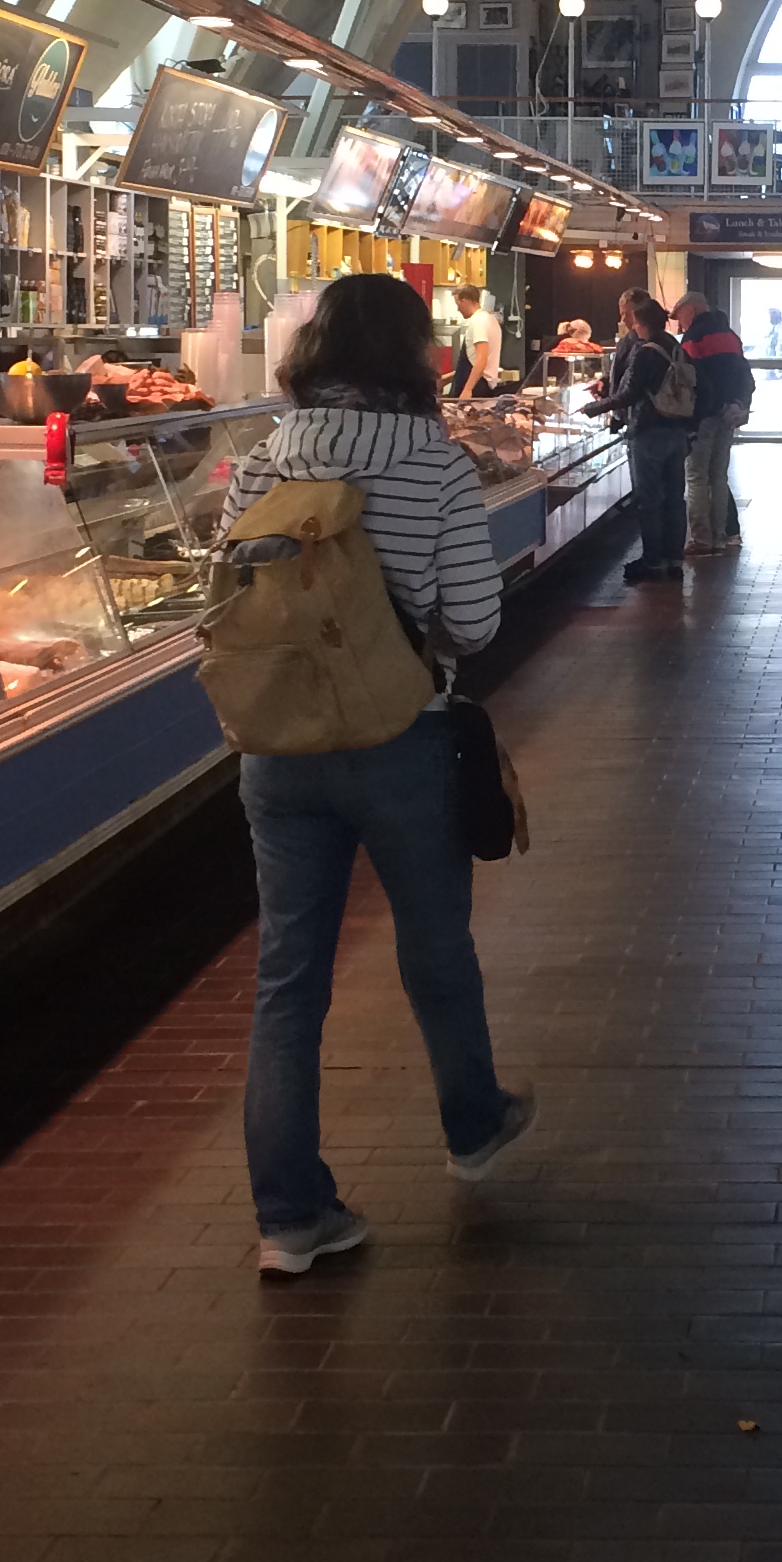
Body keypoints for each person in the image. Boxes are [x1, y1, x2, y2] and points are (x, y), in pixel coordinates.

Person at [216, 273, 532, 1275]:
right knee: (435, 948)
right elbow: (474, 621)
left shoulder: (262, 458)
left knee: (288, 980)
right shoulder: (433, 464)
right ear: (414, 353)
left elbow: (224, 601)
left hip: (279, 751)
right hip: (402, 738)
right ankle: (472, 1125)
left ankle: (291, 1218)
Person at [582, 292, 694, 582]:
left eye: (632, 320)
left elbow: (628, 394)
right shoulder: (675, 346)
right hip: (676, 431)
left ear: (640, 322)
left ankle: (652, 561)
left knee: (649, 500)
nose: (630, 324)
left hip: (648, 433)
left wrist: (593, 408)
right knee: (675, 498)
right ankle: (674, 559)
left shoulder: (645, 352)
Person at [670, 290, 753, 556]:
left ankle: (701, 539)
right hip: (728, 416)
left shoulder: (694, 339)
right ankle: (720, 536)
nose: (680, 325)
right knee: (718, 476)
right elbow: (745, 376)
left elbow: (693, 380)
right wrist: (737, 404)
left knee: (696, 476)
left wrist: (714, 405)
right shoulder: (730, 336)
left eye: (680, 318)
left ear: (691, 311)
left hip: (703, 416)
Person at [447, 285, 503, 397]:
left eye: (458, 304)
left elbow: (481, 359)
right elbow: (473, 360)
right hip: (482, 385)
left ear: (465, 301)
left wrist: (468, 390)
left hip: (477, 387)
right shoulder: (490, 319)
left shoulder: (478, 321)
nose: (458, 309)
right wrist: (446, 379)